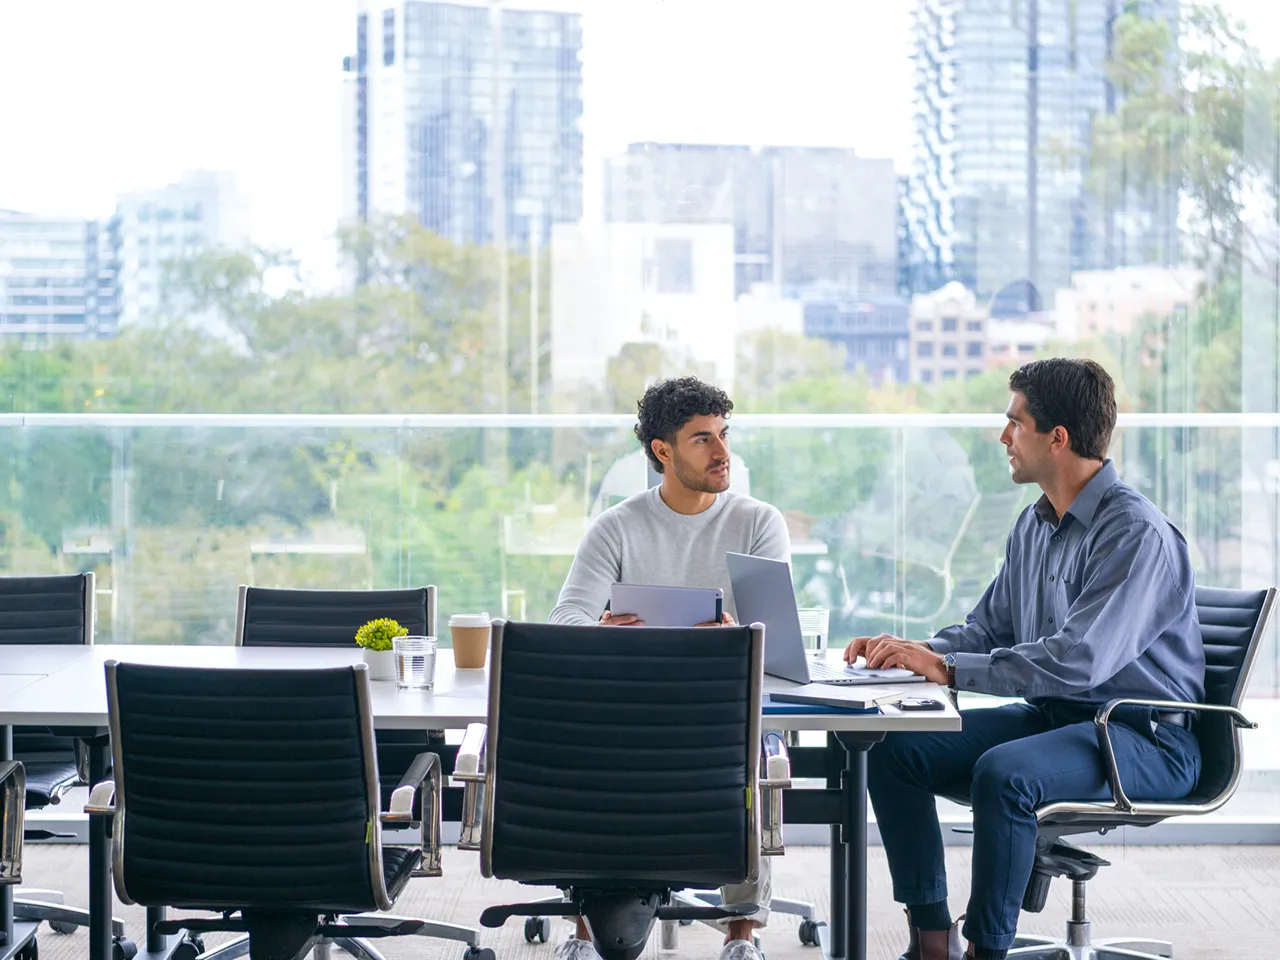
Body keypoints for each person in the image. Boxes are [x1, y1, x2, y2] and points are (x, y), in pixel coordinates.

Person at [843, 358, 1204, 960]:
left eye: (1014, 423)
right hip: (1059, 719)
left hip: (1142, 738)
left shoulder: (1135, 533)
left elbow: (1079, 659)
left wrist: (952, 672)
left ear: (1056, 438)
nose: (1003, 437)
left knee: (1004, 775)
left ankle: (988, 950)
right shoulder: (1034, 523)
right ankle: (932, 941)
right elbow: (991, 628)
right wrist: (916, 652)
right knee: (894, 747)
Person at [550, 376, 791, 960]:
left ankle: (741, 936)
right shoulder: (617, 525)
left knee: (749, 747)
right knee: (584, 748)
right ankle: (586, 931)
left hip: (723, 705)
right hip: (632, 704)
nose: (722, 453)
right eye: (702, 439)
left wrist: (737, 634)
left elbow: (776, 641)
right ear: (663, 451)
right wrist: (600, 630)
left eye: (724, 435)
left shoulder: (758, 522)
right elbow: (564, 620)